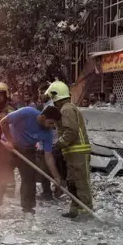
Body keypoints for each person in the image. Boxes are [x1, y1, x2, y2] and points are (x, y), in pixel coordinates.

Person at [0, 105, 63, 216]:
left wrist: (56, 177)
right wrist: (10, 142)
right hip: (8, 147)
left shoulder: (48, 133)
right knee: (1, 174)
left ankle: (28, 209)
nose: (52, 126)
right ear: (43, 117)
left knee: (29, 179)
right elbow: (3, 122)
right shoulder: (27, 113)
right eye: (51, 123)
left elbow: (48, 156)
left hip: (28, 150)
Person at [45, 80, 94, 221]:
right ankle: (75, 209)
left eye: (52, 98)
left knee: (80, 182)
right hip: (72, 153)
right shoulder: (66, 109)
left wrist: (59, 144)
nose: (52, 102)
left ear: (56, 96)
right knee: (72, 182)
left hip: (78, 152)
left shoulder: (66, 109)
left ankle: (85, 211)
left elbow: (71, 131)